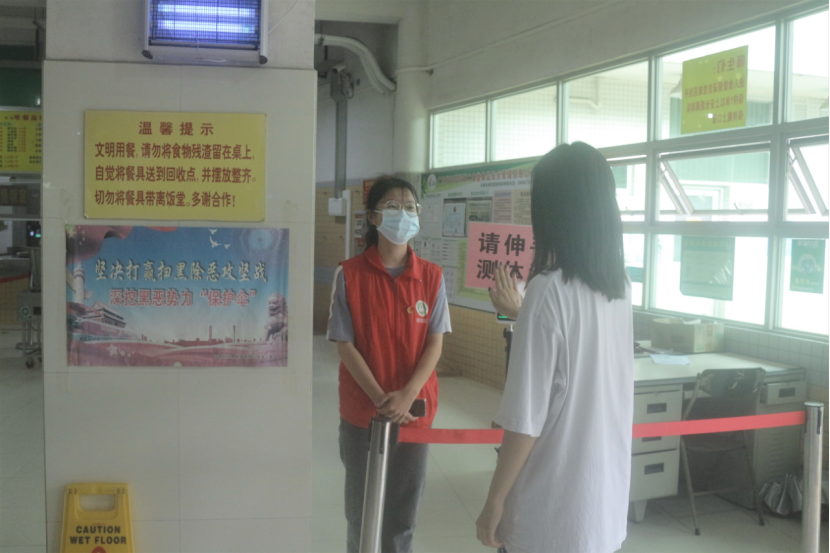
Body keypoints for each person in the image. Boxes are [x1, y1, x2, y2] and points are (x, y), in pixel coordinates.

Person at [476, 143, 634, 553]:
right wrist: (522, 314)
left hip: (551, 509)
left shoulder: (547, 290)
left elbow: (526, 418)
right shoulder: (619, 285)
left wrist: (494, 500)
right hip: (601, 505)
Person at [327, 176, 452, 553]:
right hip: (363, 414)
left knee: (402, 517)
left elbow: (435, 343)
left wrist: (407, 395)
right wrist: (382, 400)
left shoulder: (431, 276)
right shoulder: (349, 273)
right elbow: (345, 345)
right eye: (393, 207)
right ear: (373, 217)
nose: (404, 214)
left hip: (415, 413)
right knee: (362, 514)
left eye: (410, 207)